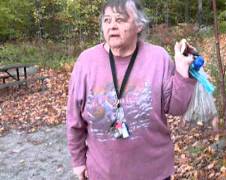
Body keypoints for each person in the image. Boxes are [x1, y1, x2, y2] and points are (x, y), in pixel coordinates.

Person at [66, 0, 197, 179]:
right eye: (107, 20)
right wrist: (78, 161)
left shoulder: (158, 58)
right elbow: (74, 118)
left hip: (153, 172)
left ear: (139, 25)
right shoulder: (86, 62)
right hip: (103, 173)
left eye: (120, 20)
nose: (112, 26)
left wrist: (182, 71)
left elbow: (177, 107)